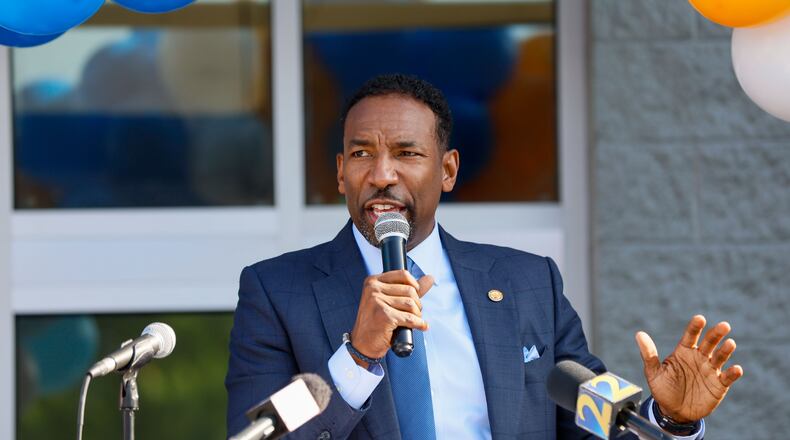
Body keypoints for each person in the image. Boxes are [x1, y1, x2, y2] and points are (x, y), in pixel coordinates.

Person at [225, 74, 743, 439]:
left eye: (406, 153)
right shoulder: (277, 292)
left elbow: (592, 426)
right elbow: (261, 434)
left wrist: (670, 419)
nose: (381, 174)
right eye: (362, 154)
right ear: (341, 173)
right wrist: (357, 357)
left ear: (448, 170)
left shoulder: (528, 283)